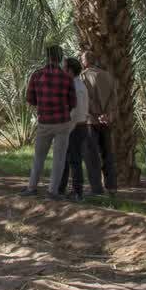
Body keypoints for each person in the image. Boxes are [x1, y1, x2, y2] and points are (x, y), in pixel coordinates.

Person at [20, 44, 77, 199]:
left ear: (48, 57)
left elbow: (30, 99)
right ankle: (52, 191)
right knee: (59, 158)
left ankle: (31, 188)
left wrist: (42, 104)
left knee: (39, 156)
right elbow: (73, 102)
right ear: (60, 58)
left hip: (44, 121)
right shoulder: (67, 78)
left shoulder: (37, 75)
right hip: (62, 122)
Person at [56, 57, 102, 201]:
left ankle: (77, 192)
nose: (61, 70)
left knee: (74, 160)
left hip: (75, 127)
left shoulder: (76, 87)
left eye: (64, 68)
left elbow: (75, 111)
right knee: (66, 159)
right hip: (77, 126)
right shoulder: (76, 85)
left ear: (70, 71)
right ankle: (61, 189)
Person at [80, 51, 118, 196]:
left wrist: (97, 114)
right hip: (106, 121)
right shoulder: (107, 76)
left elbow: (86, 99)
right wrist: (107, 115)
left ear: (85, 61)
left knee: (92, 156)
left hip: (91, 121)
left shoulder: (83, 76)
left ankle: (96, 188)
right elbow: (114, 98)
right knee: (108, 154)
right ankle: (112, 187)